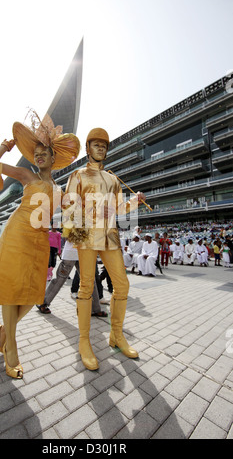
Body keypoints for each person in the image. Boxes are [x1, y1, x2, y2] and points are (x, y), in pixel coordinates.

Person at [0, 114, 80, 379]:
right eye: (35, 153)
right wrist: (7, 144)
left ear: (53, 158)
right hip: (18, 234)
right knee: (12, 291)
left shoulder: (59, 188)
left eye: (43, 154)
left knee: (34, 293)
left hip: (40, 240)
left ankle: (3, 331)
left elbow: (74, 208)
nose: (38, 156)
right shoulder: (27, 174)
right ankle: (10, 349)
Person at [63, 127, 145, 370]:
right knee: (87, 286)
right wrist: (75, 226)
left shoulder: (112, 179)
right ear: (87, 149)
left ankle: (116, 335)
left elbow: (119, 209)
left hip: (109, 237)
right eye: (96, 144)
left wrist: (134, 201)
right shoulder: (77, 175)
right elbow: (68, 205)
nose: (101, 148)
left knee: (122, 285)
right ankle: (84, 341)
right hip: (86, 236)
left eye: (104, 145)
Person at [37, 240, 107, 317]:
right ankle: (43, 303)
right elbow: (67, 235)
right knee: (60, 279)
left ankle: (95, 309)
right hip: (71, 253)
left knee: (90, 280)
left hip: (85, 253)